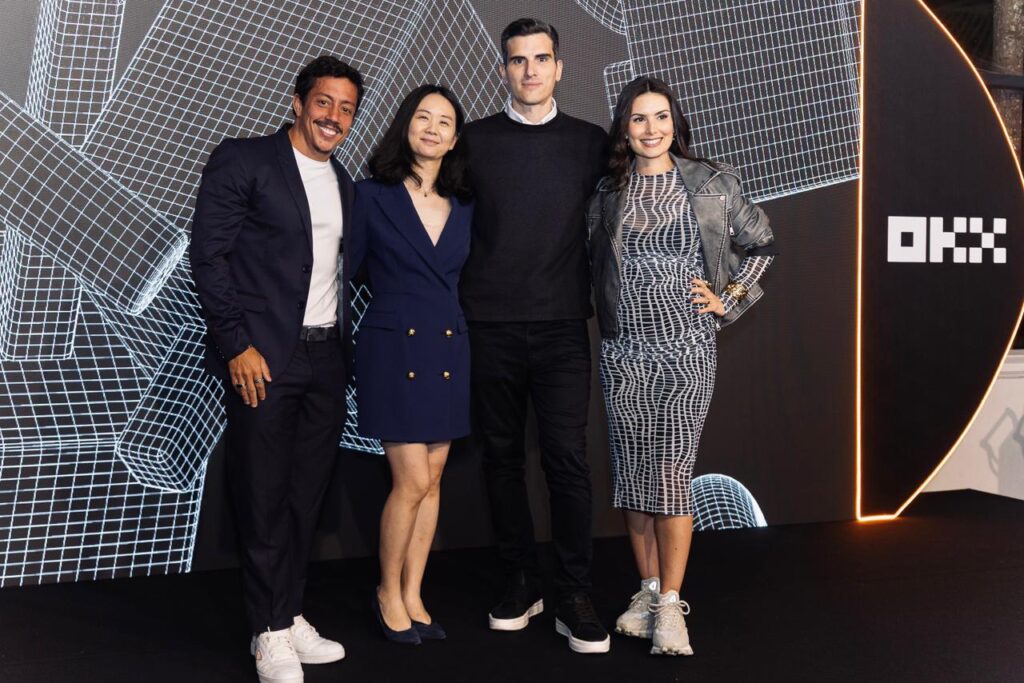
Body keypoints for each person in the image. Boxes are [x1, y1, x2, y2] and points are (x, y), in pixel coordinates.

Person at [587, 76, 777, 656]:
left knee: (670, 474)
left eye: (661, 117)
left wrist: (731, 300)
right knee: (634, 476)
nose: (652, 129)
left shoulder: (711, 183)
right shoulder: (607, 191)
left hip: (686, 349)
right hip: (623, 350)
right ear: (625, 128)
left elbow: (763, 244)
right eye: (639, 118)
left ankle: (671, 603)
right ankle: (646, 593)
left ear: (676, 122)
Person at [190, 56, 363, 683]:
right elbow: (208, 256)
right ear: (298, 102)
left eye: (346, 108)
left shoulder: (344, 183)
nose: (333, 116)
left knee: (304, 496)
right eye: (324, 102)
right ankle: (266, 631)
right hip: (262, 359)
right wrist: (237, 344)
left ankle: (288, 614)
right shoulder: (245, 160)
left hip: (326, 359)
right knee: (262, 494)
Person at [459, 18, 610, 654]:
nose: (529, 71)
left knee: (566, 461)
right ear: (503, 69)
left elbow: (639, 206)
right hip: (488, 324)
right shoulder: (471, 140)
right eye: (518, 60)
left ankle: (574, 592)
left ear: (559, 68)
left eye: (541, 59)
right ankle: (521, 580)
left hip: (562, 326)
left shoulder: (591, 142)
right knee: (500, 459)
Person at [348, 84, 473, 645]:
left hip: (447, 345)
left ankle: (414, 591)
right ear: (406, 125)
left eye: (444, 122)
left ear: (455, 138)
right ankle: (386, 591)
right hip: (393, 347)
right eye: (423, 117)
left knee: (435, 480)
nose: (432, 128)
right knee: (413, 479)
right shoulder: (370, 195)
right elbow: (346, 271)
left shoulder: (464, 203)